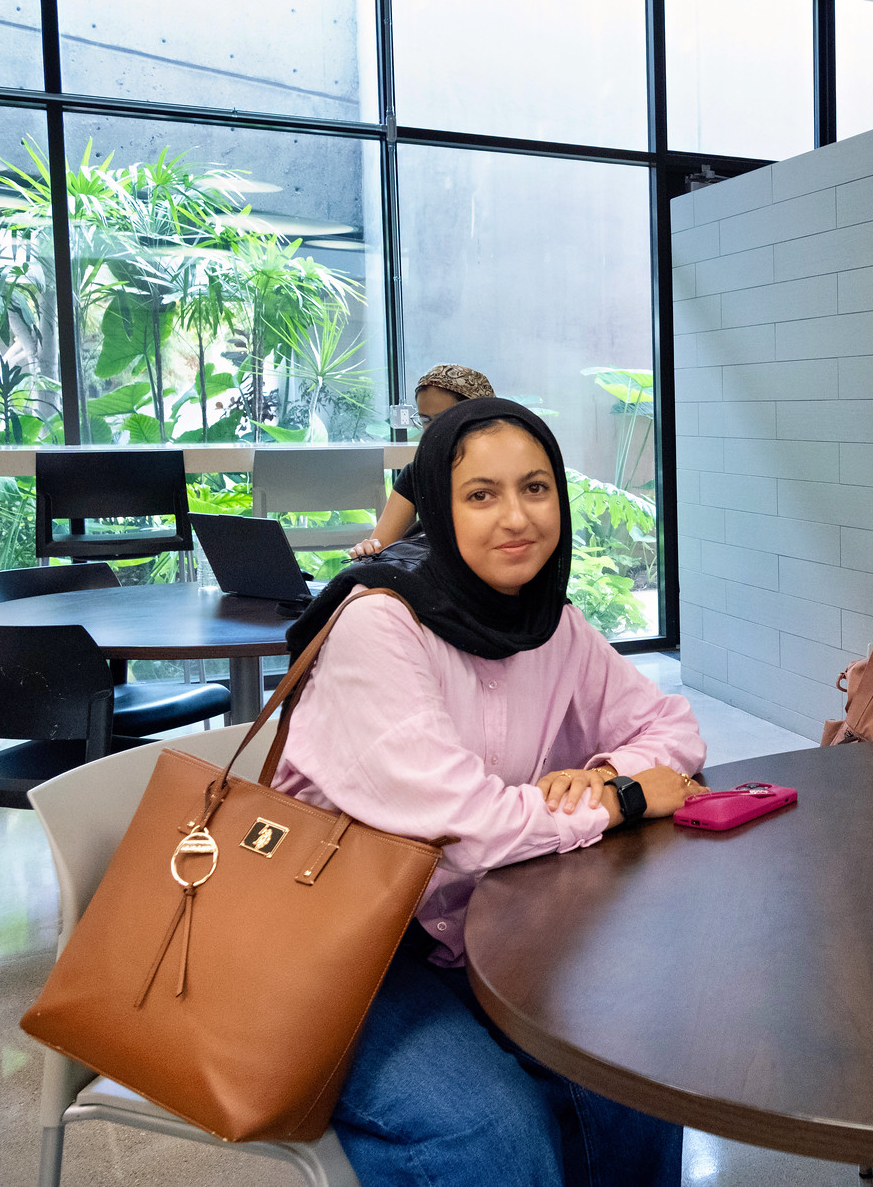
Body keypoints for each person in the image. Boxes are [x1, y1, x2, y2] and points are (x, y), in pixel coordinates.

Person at [273, 397, 706, 1187]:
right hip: (347, 946)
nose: (517, 517)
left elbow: (672, 728)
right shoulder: (381, 623)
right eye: (482, 494)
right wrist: (625, 799)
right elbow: (468, 827)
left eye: (536, 488)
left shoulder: (548, 621)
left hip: (484, 928)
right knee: (493, 1132)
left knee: (637, 1076)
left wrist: (606, 769)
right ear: (438, 506)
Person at [348, 364, 497, 559]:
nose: (433, 429)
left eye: (445, 418)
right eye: (426, 420)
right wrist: (367, 550)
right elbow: (380, 547)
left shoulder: (507, 473)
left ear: (479, 418)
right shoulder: (420, 473)